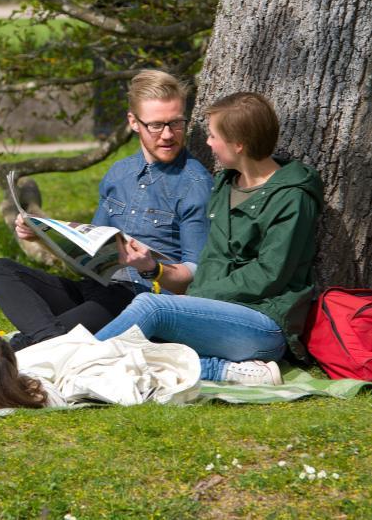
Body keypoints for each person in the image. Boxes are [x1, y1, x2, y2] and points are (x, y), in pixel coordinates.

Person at [94, 92, 323, 385]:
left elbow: (268, 274)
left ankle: (64, 366)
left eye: (214, 136)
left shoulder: (292, 197)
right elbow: (213, 259)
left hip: (263, 324)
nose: (208, 143)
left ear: (238, 144)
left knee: (151, 308)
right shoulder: (226, 185)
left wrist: (197, 297)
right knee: (140, 340)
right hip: (218, 313)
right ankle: (224, 371)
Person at [0, 70, 214, 351]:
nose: (167, 135)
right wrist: (44, 235)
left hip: (141, 300)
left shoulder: (195, 184)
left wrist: (152, 268)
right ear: (133, 122)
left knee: (102, 305)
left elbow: (195, 277)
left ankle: (27, 344)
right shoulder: (119, 174)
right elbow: (88, 255)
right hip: (97, 290)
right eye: (156, 125)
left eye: (176, 123)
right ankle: (47, 341)